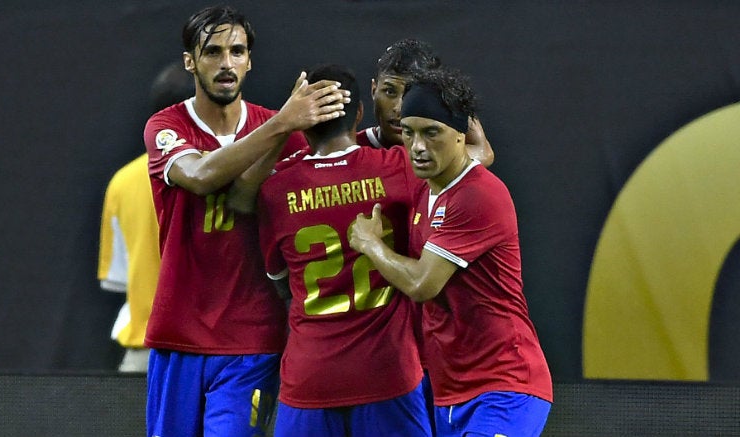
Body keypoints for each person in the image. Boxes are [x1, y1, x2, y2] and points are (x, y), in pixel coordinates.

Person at [142, 5, 348, 437]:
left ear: (250, 60)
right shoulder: (167, 126)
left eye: (237, 51)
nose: (225, 64)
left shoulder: (283, 133)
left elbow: (349, 157)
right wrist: (283, 122)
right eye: (212, 52)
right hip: (178, 333)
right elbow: (199, 177)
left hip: (253, 340)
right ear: (189, 61)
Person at [349, 67, 553, 437]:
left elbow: (424, 284)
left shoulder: (478, 194)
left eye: (432, 133)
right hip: (451, 391)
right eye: (409, 132)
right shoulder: (425, 191)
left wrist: (369, 244)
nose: (418, 146)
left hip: (504, 385)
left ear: (462, 135)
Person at [254, 64, 431, 437]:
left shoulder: (275, 189)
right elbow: (471, 160)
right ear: (360, 114)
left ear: (301, 122)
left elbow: (281, 284)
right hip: (388, 372)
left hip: (310, 377)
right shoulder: (399, 168)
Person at [97, 61, 194, 373]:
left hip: (144, 358)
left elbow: (119, 279)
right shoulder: (234, 174)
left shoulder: (122, 182)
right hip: (213, 354)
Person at [357, 38, 494, 166]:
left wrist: (449, 95)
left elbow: (484, 152)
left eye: (410, 93)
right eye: (390, 92)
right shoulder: (350, 150)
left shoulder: (441, 149)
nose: (398, 108)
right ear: (374, 90)